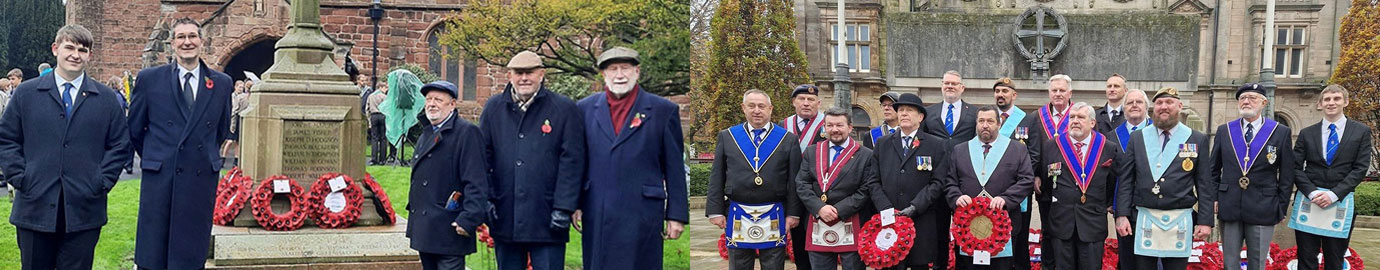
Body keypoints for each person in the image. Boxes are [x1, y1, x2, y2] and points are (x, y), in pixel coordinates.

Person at [0, 24, 132, 270]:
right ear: (55, 48)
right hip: (34, 206)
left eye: (82, 50)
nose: (75, 54)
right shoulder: (26, 94)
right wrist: (20, 176)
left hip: (84, 209)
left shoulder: (105, 99)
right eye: (69, 47)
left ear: (89, 55)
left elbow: (119, 145)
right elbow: (7, 139)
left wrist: (100, 181)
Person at [128, 17, 235, 270]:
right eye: (181, 37)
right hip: (161, 177)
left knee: (190, 253)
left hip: (199, 178)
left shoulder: (221, 83)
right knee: (154, 252)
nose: (187, 42)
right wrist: (159, 156)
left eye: (192, 36)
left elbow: (220, 130)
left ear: (201, 41)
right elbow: (135, 129)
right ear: (172, 44)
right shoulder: (149, 79)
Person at [574, 46, 689, 270]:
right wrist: (576, 203)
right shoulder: (584, 109)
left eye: (625, 68)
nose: (619, 75)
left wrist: (676, 215)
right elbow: (578, 162)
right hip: (598, 210)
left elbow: (674, 167)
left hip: (642, 212)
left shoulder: (663, 111)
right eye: (613, 69)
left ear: (637, 71)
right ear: (603, 75)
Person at [479, 50, 586, 270]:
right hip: (505, 213)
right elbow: (483, 158)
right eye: (519, 73)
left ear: (542, 74)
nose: (524, 78)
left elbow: (572, 161)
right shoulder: (494, 108)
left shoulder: (564, 109)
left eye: (530, 72)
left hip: (547, 216)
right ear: (510, 75)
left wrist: (564, 207)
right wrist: (486, 198)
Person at [1113, 87, 1213, 270]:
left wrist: (1205, 221)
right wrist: (1122, 215)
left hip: (1179, 219)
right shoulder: (1138, 138)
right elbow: (1126, 180)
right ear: (1153, 108)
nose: (1163, 107)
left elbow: (1204, 183)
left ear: (1180, 106)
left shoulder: (1196, 139)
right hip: (1144, 218)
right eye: (1159, 103)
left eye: (1169, 102)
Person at [707, 89, 802, 270]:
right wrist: (715, 211)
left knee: (774, 265)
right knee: (739, 265)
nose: (756, 110)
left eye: (761, 106)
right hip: (738, 212)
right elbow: (717, 175)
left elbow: (794, 179)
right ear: (744, 108)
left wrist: (793, 213)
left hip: (774, 212)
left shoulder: (787, 139)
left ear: (770, 109)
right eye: (751, 106)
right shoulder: (728, 136)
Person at [1209, 83, 1294, 270]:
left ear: (1264, 102)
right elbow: (1213, 170)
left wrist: (1280, 206)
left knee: (1258, 262)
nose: (1246, 101)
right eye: (1242, 98)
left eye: (1252, 98)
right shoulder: (1226, 131)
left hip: (1263, 207)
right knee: (1230, 262)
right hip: (1230, 204)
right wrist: (1214, 197)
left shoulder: (1280, 132)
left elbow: (1287, 174)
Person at [408, 80, 490, 270]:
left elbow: (476, 181)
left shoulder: (467, 132)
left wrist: (469, 219)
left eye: (438, 99)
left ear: (452, 104)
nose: (432, 104)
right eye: (428, 99)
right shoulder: (427, 132)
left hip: (449, 227)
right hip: (425, 228)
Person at [942, 105, 1034, 270]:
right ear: (976, 124)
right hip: (968, 226)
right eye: (981, 121)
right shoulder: (960, 150)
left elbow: (1026, 180)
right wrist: (956, 196)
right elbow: (950, 181)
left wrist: (1006, 198)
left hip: (1003, 225)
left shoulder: (1017, 149)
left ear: (999, 124)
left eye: (990, 121)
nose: (985, 125)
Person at [1292, 84, 1373, 270]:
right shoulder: (1307, 133)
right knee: (1305, 259)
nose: (1331, 103)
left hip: (1340, 202)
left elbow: (1360, 168)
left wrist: (1333, 194)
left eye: (1336, 98)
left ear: (1345, 102)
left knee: (1335, 260)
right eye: (1327, 99)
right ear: (1320, 104)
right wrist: (1312, 193)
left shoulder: (1360, 132)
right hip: (1309, 202)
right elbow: (1295, 168)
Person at [868, 93, 950, 270]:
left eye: (910, 110)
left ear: (920, 117)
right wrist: (886, 208)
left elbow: (937, 182)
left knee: (919, 265)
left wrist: (915, 206)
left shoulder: (936, 145)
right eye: (901, 110)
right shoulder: (883, 144)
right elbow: (873, 181)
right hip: (889, 221)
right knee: (890, 264)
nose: (904, 113)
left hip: (920, 220)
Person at [1039, 102, 1125, 270]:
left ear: (1092, 123)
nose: (1075, 121)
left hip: (1092, 222)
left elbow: (1112, 182)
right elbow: (1047, 182)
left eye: (1081, 117)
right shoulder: (1052, 145)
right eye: (1072, 117)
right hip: (1061, 222)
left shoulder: (1107, 148)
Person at [795, 107, 878, 270]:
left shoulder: (866, 154)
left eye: (839, 125)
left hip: (851, 222)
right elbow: (802, 184)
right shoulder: (812, 152)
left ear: (850, 127)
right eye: (830, 125)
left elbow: (866, 188)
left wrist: (838, 210)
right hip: (818, 221)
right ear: (824, 127)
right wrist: (819, 208)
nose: (835, 130)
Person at [1021, 74, 1074, 267]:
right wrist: (1034, 175)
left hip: (1074, 185)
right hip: (1044, 185)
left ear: (1070, 93)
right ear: (1049, 93)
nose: (1058, 94)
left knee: (1071, 231)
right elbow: (1031, 149)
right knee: (1048, 230)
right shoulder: (1036, 117)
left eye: (1062, 90)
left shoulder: (1079, 115)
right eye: (1054, 90)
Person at [1106, 88, 1150, 270]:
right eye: (1130, 102)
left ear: (1147, 107)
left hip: (1151, 205)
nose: (1134, 106)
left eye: (1139, 102)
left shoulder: (1157, 133)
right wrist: (1109, 201)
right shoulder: (1112, 137)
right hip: (1122, 205)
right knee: (1127, 258)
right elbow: (1108, 173)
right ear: (1123, 108)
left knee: (1150, 258)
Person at [924, 70, 978, 149]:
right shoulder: (928, 112)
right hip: (937, 159)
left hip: (963, 158)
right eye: (946, 83)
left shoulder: (974, 112)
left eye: (954, 84)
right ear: (942, 86)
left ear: (962, 88)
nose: (950, 86)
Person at [783, 84, 827, 150]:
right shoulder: (784, 124)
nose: (806, 103)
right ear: (794, 102)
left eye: (811, 99)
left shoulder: (827, 124)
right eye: (801, 99)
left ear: (818, 103)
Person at [367, 84, 388, 165]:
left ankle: (374, 158)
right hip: (382, 115)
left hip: (374, 116)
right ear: (380, 87)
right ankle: (382, 159)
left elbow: (367, 108)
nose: (386, 90)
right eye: (385, 87)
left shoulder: (370, 96)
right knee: (383, 138)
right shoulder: (385, 97)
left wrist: (369, 121)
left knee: (374, 138)